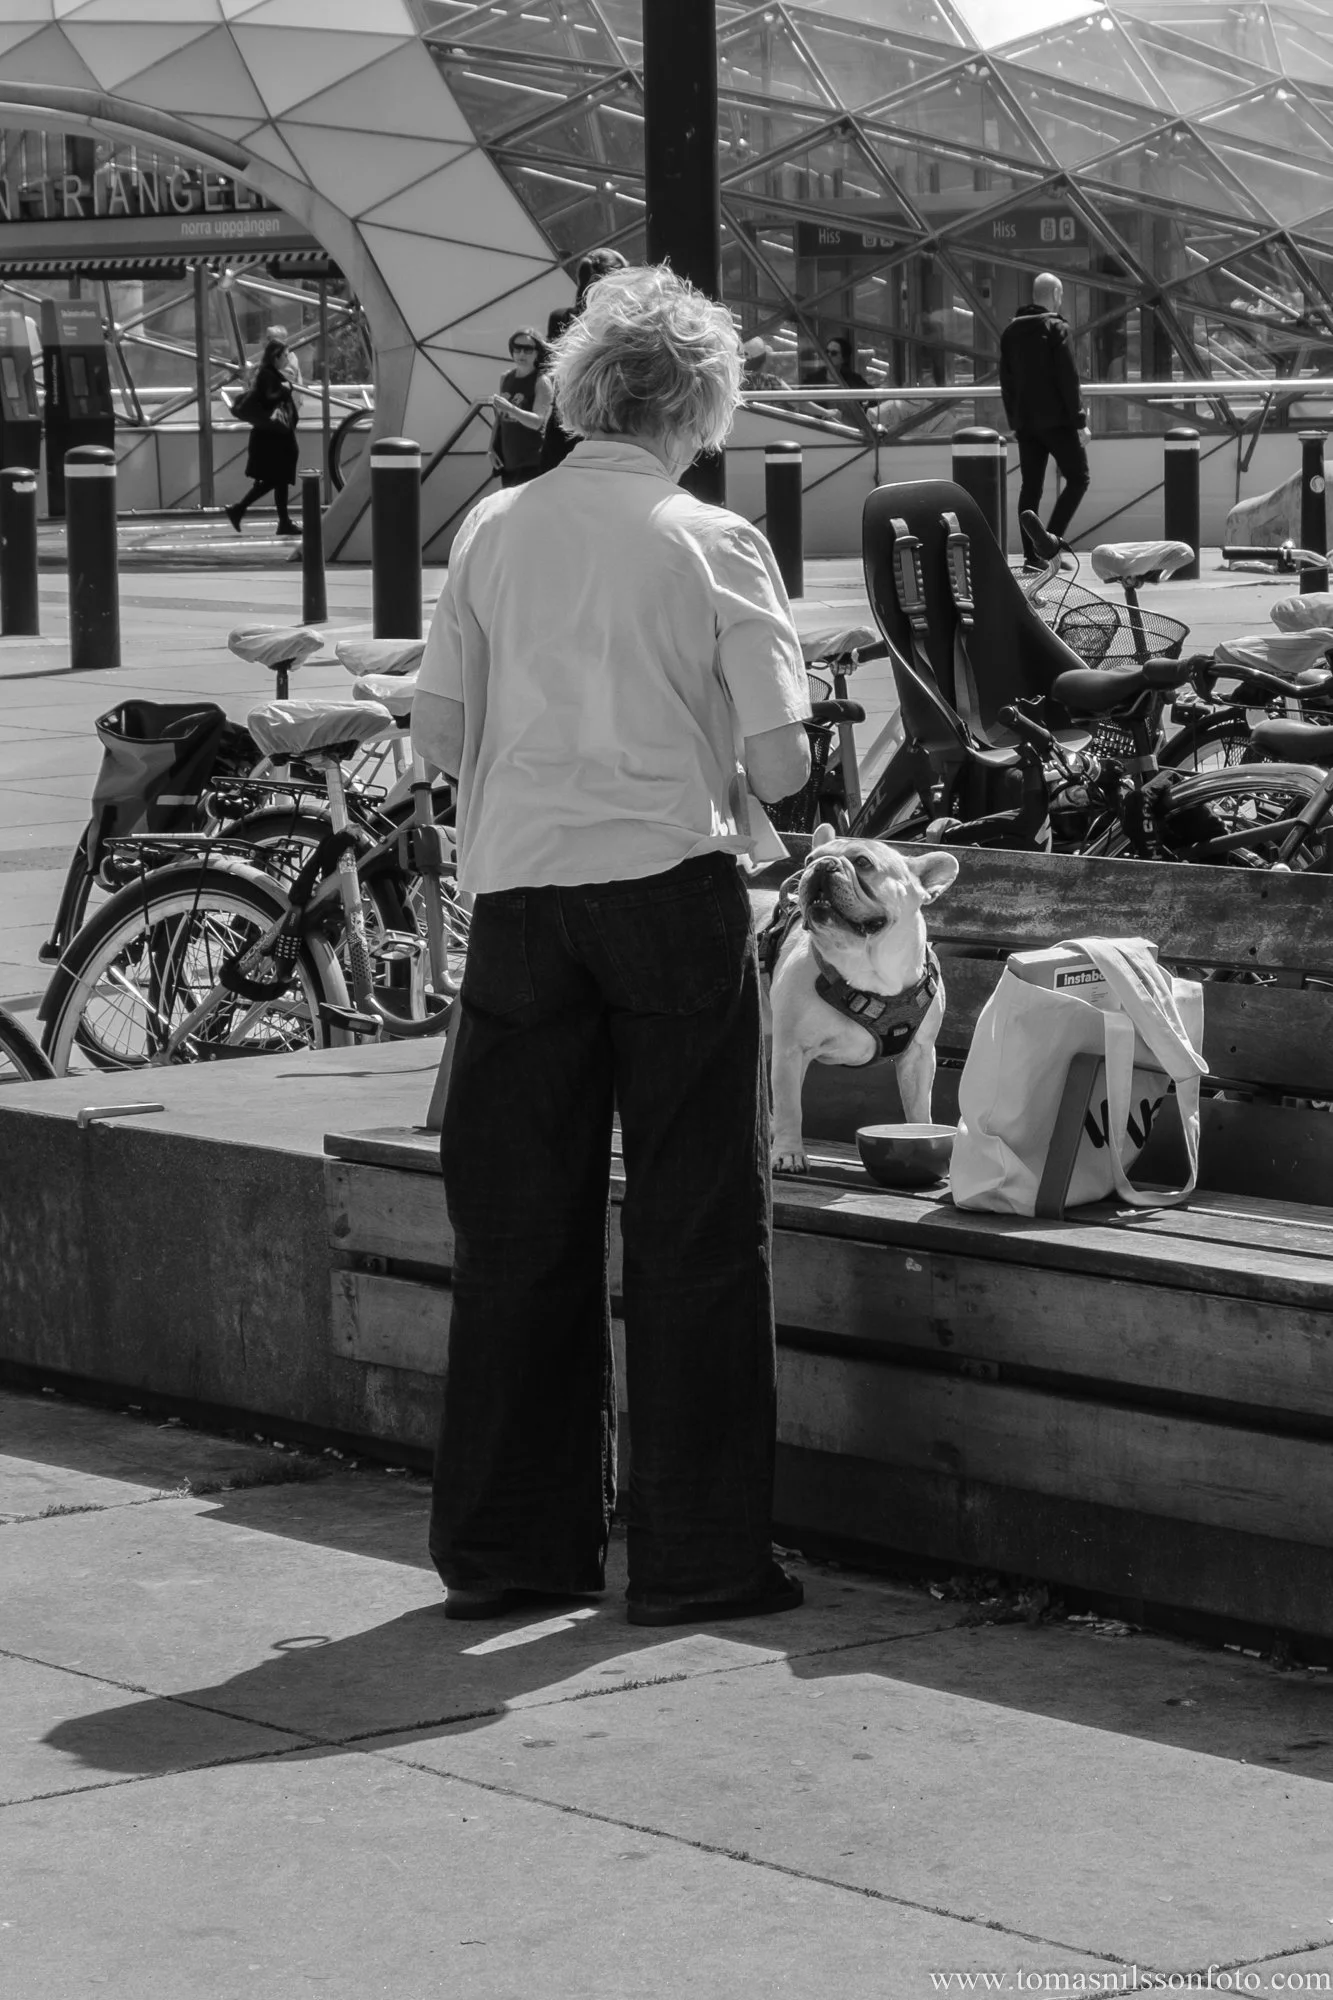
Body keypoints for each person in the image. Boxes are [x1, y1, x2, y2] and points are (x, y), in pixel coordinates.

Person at [412, 263, 812, 1628]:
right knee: (699, 1229)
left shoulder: (493, 530)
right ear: (697, 405)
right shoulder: (708, 538)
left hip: (520, 908)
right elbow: (780, 756)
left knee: (518, 1237)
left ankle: (510, 1551)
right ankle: (701, 1559)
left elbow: (439, 736)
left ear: (578, 391)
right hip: (669, 897)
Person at [1000, 272, 1090, 565]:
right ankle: (1048, 545)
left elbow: (1007, 382)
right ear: (1055, 295)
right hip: (1058, 422)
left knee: (1031, 487)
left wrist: (1015, 421)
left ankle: (1032, 555)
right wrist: (1079, 422)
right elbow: (1068, 377)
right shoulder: (1055, 328)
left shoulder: (1010, 333)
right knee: (1078, 478)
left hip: (1026, 424)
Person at [538, 245, 629, 471]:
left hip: (564, 423)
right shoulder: (623, 324)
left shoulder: (560, 318)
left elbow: (554, 370)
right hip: (609, 426)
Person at [226, 337, 300, 536]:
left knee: (278, 480)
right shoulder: (268, 375)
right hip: (272, 438)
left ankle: (279, 520)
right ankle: (240, 509)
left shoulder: (269, 373)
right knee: (275, 479)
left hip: (272, 436)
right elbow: (270, 397)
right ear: (276, 357)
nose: (288, 358)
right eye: (285, 355)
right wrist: (285, 390)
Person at [489, 327, 552, 487]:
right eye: (517, 349)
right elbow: (499, 419)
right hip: (508, 459)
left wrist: (511, 409)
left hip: (531, 461)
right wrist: (491, 447)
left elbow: (537, 422)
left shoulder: (541, 381)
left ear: (537, 352)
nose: (521, 354)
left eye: (528, 349)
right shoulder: (506, 378)